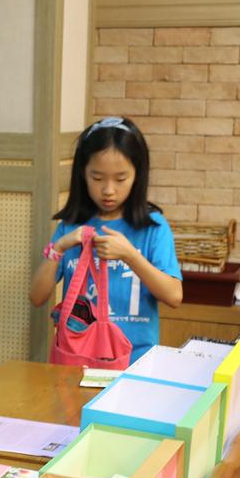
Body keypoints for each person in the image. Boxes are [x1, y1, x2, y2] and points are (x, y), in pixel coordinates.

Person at [30, 116, 183, 363]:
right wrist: (59, 247)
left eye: (121, 179)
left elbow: (174, 296)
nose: (109, 190)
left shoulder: (153, 227)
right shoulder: (71, 226)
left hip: (136, 362)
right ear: (83, 174)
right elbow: (37, 297)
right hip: (78, 362)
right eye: (97, 178)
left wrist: (130, 255)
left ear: (137, 175)